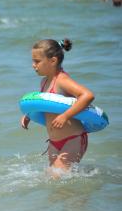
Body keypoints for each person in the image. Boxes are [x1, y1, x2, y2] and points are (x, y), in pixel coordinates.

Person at [20, 39, 94, 178]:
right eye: (33, 61)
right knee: (52, 179)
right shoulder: (44, 82)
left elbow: (87, 95)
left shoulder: (62, 80)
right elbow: (44, 104)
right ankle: (80, 194)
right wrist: (29, 115)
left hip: (73, 138)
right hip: (54, 141)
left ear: (53, 61)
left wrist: (65, 116)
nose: (33, 65)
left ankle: (80, 197)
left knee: (56, 177)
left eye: (37, 61)